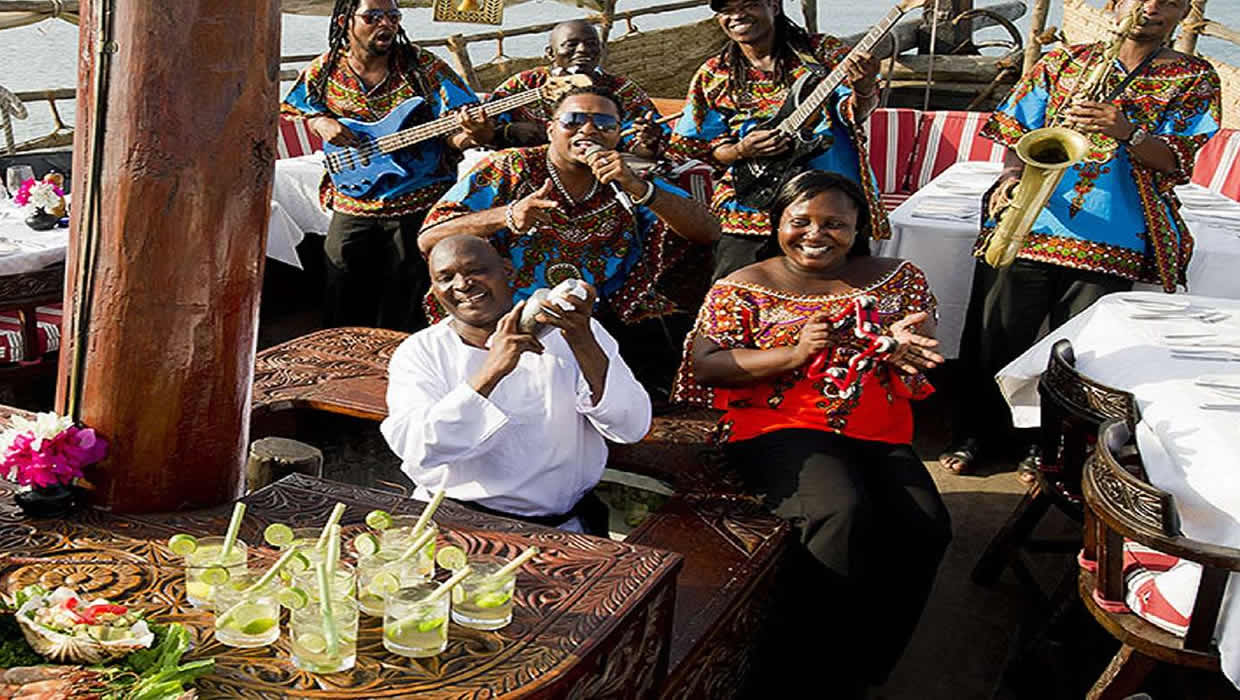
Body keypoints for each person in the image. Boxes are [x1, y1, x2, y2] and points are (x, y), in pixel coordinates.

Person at [671, 171, 950, 696]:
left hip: (875, 428)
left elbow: (923, 341)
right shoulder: (744, 286)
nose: (816, 234)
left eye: (835, 224)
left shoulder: (898, 276)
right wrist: (794, 354)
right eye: (800, 221)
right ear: (777, 222)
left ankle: (866, 663)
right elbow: (707, 365)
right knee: (838, 511)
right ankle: (796, 670)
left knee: (926, 526)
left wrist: (908, 346)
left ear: (859, 226)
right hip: (776, 424)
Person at [941, 0, 1222, 478]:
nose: (1150, 8)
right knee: (995, 336)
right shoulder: (1062, 61)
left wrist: (1126, 131)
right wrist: (1012, 177)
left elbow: (1178, 161)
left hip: (1115, 234)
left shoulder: (1194, 77)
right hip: (1031, 220)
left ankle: (1043, 447)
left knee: (1075, 351)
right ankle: (976, 435)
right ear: (1114, 7)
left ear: (1180, 16)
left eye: (1169, 2)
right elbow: (1016, 133)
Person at [419, 87, 720, 390]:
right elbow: (429, 238)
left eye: (604, 124)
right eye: (573, 120)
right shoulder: (511, 167)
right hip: (502, 316)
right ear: (551, 130)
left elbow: (708, 231)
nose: (588, 130)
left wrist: (640, 189)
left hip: (589, 318)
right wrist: (507, 215)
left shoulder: (626, 178)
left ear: (618, 136)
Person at [380, 235, 651, 535]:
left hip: (563, 529)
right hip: (453, 523)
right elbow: (418, 448)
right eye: (445, 278)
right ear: (434, 289)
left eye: (475, 270)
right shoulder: (421, 351)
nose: (462, 284)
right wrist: (492, 370)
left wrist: (582, 340)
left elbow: (632, 426)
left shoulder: (573, 333)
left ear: (508, 272)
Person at [281, 0, 494, 331]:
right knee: (340, 275)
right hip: (353, 195)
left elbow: (456, 136)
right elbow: (301, 106)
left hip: (418, 195)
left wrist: (472, 133)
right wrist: (321, 121)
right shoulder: (324, 70)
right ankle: (341, 354)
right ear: (344, 21)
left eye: (393, 17)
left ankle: (399, 358)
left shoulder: (423, 68)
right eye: (373, 17)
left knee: (407, 288)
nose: (386, 24)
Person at [667, 0, 888, 282]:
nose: (736, 16)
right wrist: (740, 149)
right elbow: (697, 145)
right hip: (751, 204)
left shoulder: (822, 53)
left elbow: (855, 113)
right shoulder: (714, 73)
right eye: (726, 10)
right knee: (737, 290)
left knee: (843, 292)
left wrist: (864, 87)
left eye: (747, 4)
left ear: (773, 5)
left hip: (829, 203)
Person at [488, 19, 665, 159]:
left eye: (591, 44)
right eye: (571, 44)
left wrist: (649, 143)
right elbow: (486, 128)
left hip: (600, 166)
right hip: (531, 165)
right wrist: (510, 130)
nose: (583, 50)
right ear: (550, 53)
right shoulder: (525, 83)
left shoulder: (621, 89)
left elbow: (642, 149)